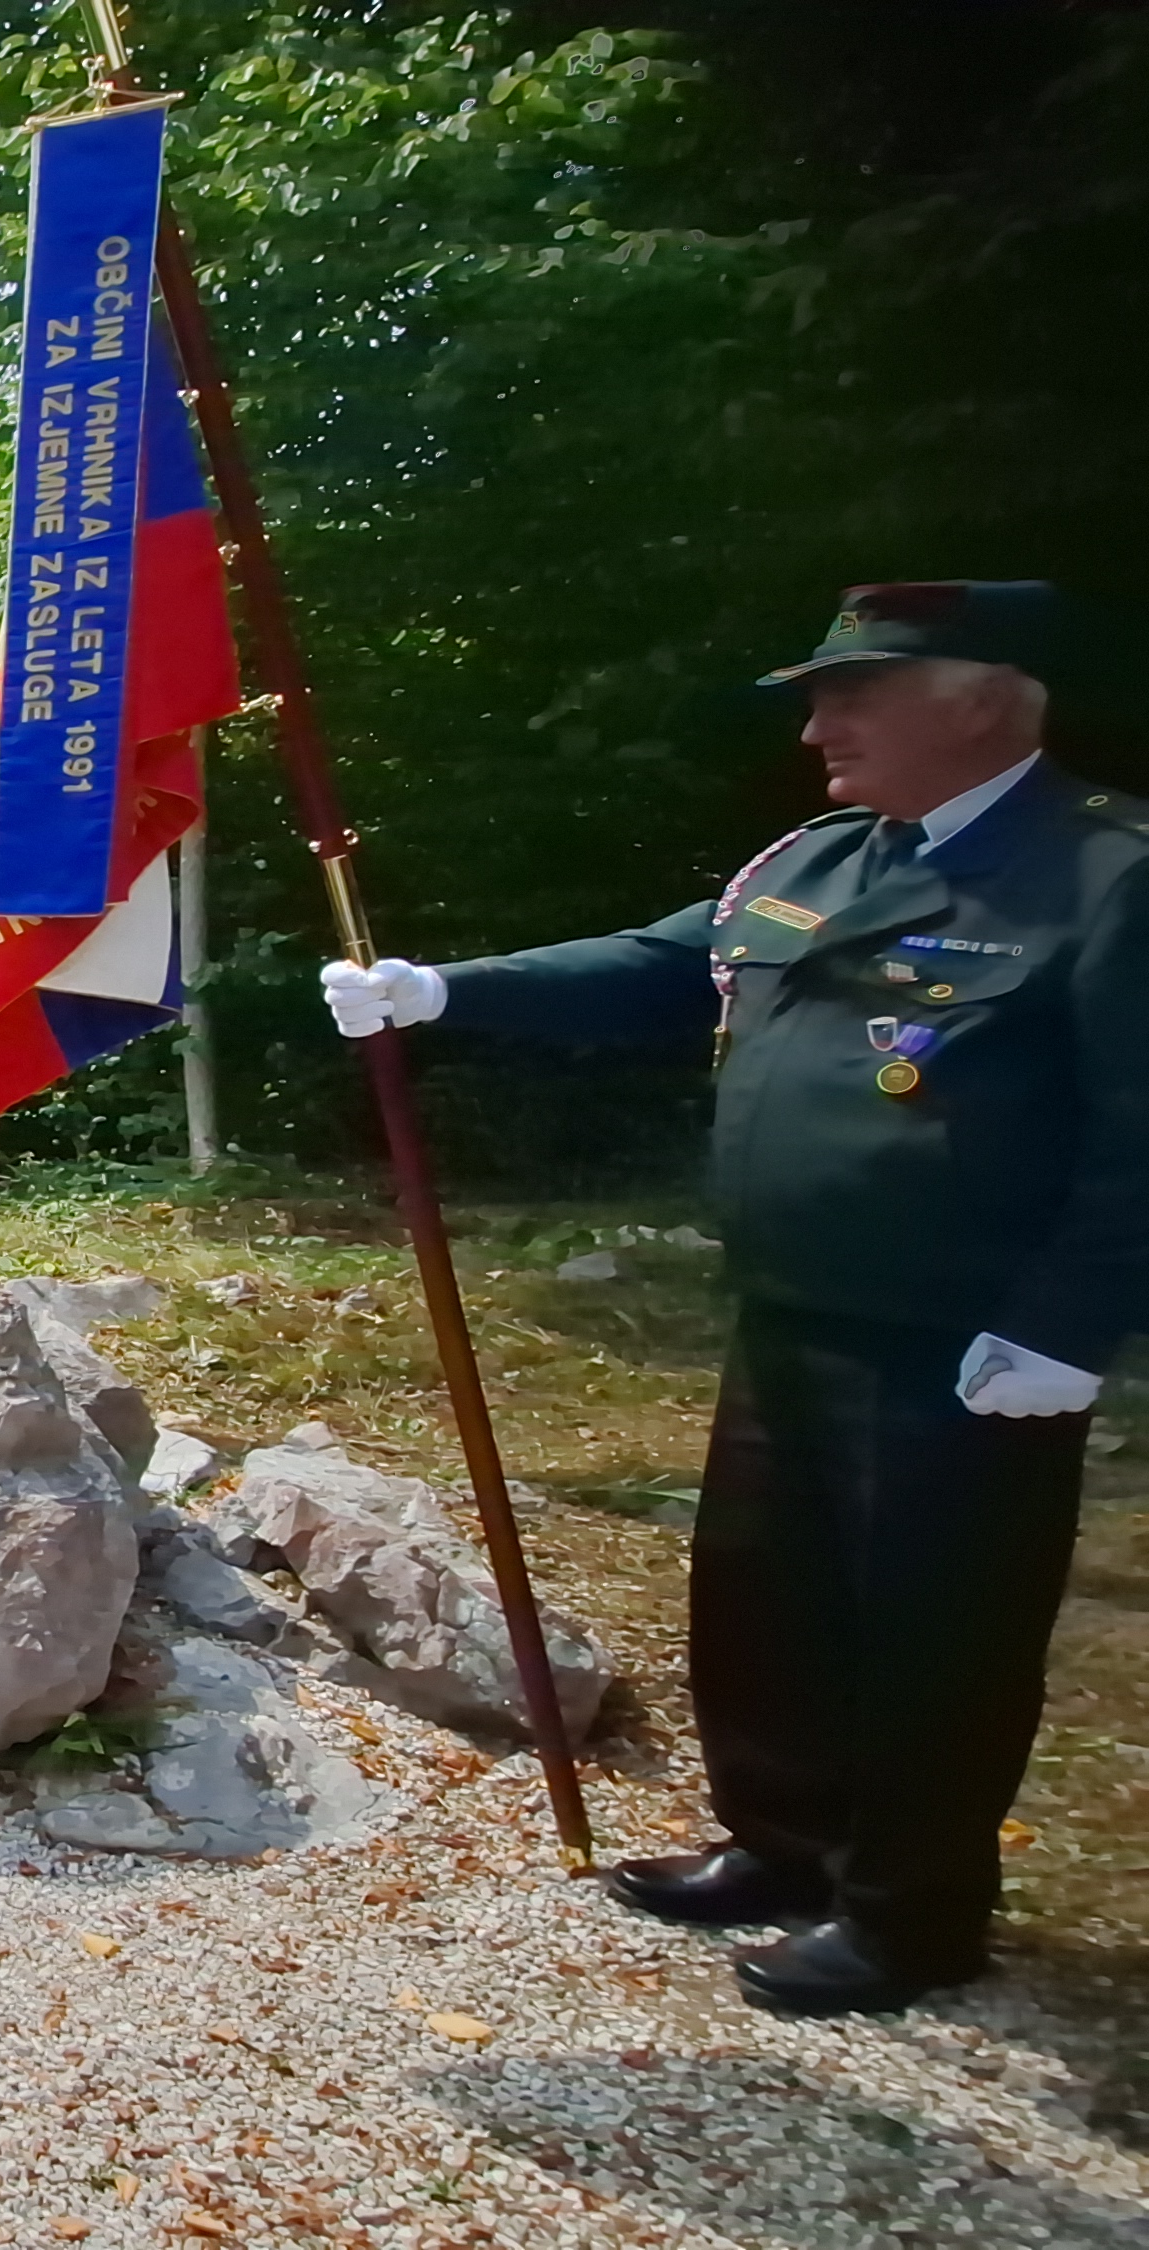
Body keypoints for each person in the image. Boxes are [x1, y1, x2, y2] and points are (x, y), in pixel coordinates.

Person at [320, 581, 1144, 2017]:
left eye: (856, 693)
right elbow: (658, 964)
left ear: (983, 698)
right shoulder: (822, 862)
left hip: (963, 1341)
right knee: (768, 1596)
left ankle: (909, 1913)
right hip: (788, 1308)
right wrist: (442, 990)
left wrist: (1067, 1327)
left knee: (934, 1628)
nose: (819, 726)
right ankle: (781, 1841)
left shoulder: (1103, 876)